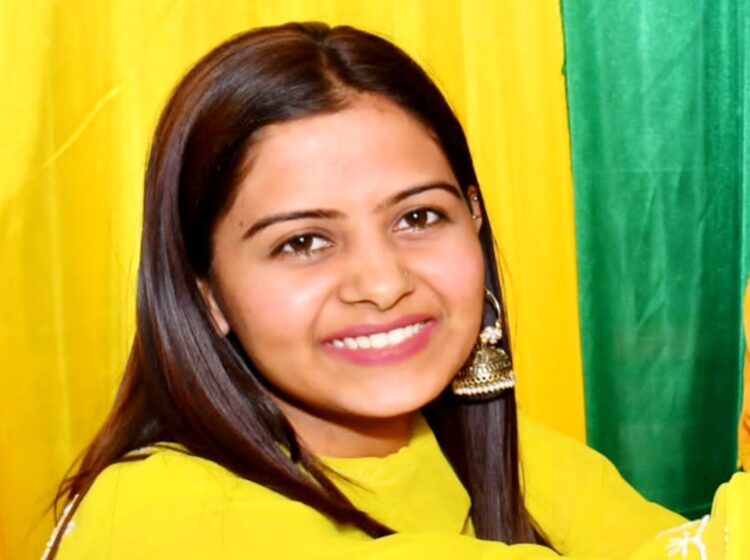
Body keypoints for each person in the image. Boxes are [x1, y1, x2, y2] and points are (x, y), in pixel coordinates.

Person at [45, 22, 749, 559]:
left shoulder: (510, 455)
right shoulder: (160, 516)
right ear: (207, 292)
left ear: (474, 221)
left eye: (418, 218)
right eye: (303, 242)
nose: (383, 284)